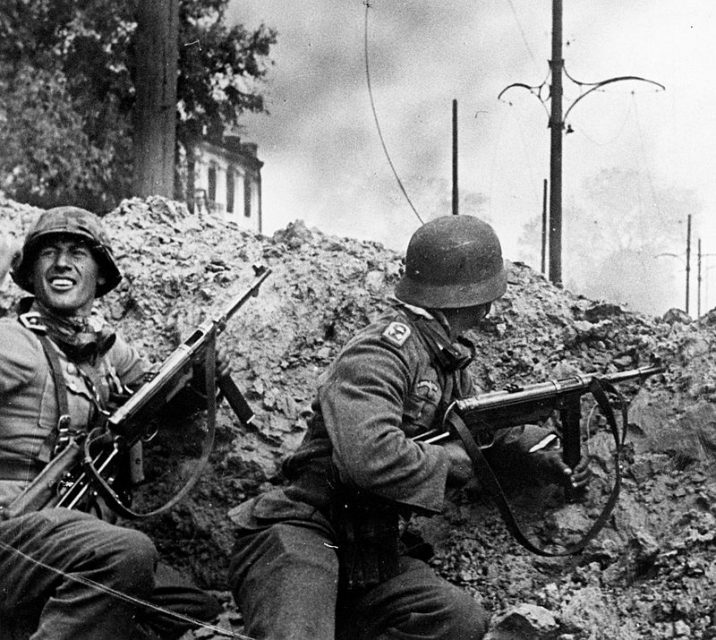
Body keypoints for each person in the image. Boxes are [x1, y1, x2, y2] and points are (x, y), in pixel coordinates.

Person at [227, 214, 591, 640]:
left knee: (456, 621)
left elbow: (478, 431)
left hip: (367, 550)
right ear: (477, 296)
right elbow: (370, 457)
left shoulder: (443, 359)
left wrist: (539, 456)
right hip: (303, 530)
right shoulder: (381, 352)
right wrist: (451, 462)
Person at [0, 207, 222, 640]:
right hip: (11, 535)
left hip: (65, 542)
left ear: (100, 275)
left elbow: (159, 402)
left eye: (77, 252)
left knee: (191, 607)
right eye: (49, 253)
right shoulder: (14, 341)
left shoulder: (105, 349)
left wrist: (202, 380)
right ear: (31, 273)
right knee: (127, 553)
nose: (62, 263)